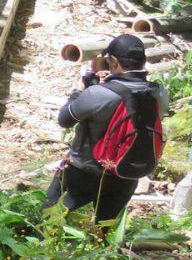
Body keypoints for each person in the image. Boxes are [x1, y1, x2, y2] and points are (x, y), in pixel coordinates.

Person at [46, 34, 169, 223]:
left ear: (112, 61)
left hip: (84, 173)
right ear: (143, 61)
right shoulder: (158, 91)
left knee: (50, 222)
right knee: (104, 231)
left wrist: (80, 91)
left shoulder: (97, 93)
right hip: (126, 172)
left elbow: (65, 119)